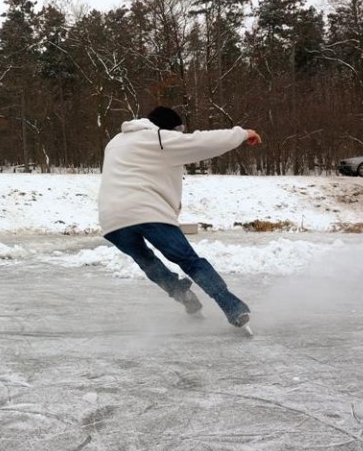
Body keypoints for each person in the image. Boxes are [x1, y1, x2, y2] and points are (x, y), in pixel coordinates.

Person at [98, 106, 262, 329]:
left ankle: (180, 293)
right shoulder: (159, 138)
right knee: (188, 260)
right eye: (178, 130)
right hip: (147, 212)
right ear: (168, 128)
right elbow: (203, 142)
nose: (180, 135)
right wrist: (243, 133)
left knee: (146, 261)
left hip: (111, 220)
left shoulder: (115, 142)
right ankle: (232, 306)